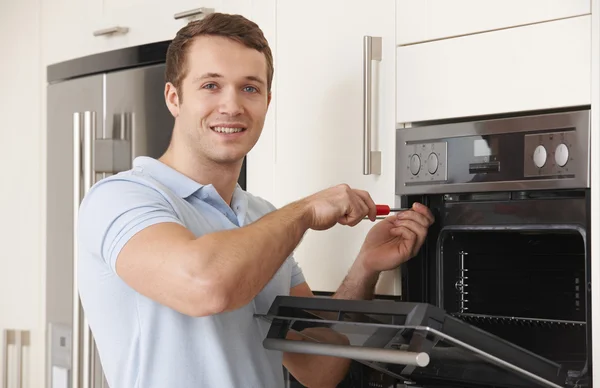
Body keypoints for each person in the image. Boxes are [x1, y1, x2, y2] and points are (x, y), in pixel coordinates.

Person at [76, 12, 434, 388]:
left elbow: (320, 368)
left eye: (250, 88)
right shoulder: (121, 198)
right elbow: (206, 286)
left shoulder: (262, 217)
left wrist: (365, 267)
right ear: (173, 97)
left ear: (267, 100)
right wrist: (306, 210)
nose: (231, 106)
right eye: (211, 85)